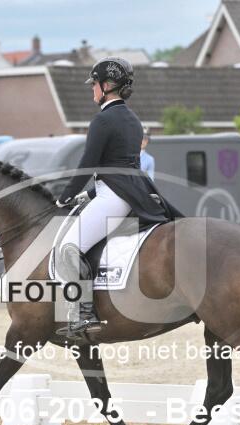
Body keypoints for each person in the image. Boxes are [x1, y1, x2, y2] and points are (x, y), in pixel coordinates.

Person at [53, 56, 176, 342]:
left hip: (114, 197)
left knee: (68, 248)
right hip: (130, 193)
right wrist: (88, 194)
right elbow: (120, 168)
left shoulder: (102, 120)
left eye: (94, 84)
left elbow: (88, 164)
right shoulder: (134, 120)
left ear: (107, 86)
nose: (92, 89)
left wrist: (65, 197)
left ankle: (82, 313)